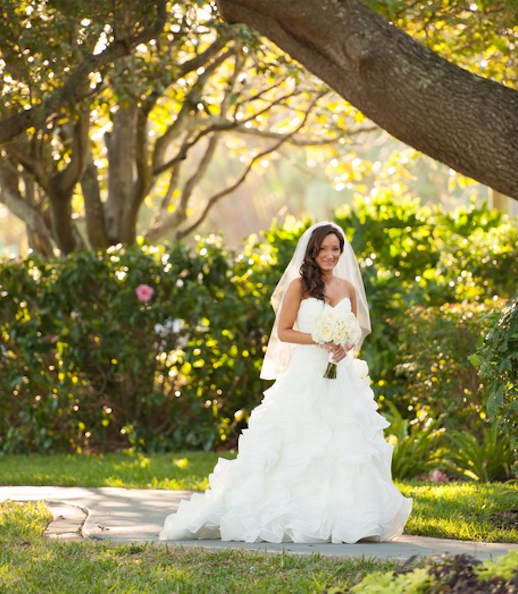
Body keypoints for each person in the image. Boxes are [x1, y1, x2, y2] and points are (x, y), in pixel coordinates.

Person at [159, 221, 412, 544]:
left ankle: (346, 519)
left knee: (345, 446)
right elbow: (284, 332)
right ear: (312, 251)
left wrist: (342, 344)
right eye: (324, 249)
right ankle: (296, 515)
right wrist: (320, 339)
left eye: (336, 249)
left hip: (340, 375)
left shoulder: (347, 288)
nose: (330, 255)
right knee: (298, 445)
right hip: (306, 375)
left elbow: (355, 332)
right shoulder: (298, 286)